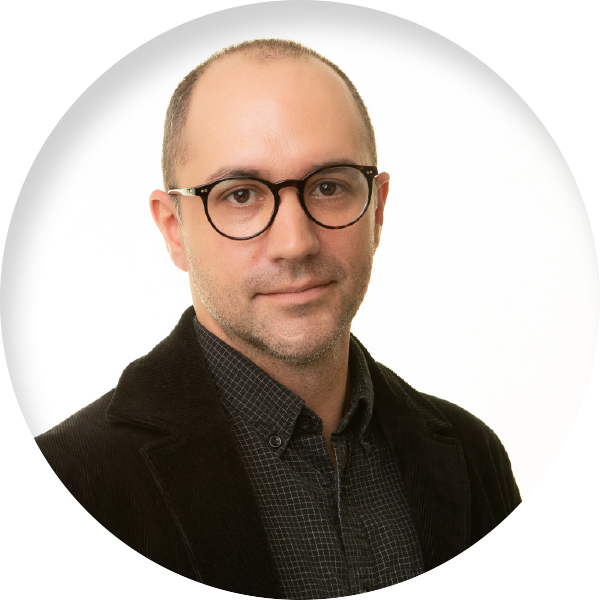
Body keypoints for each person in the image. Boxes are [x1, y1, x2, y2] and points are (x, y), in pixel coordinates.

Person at [36, 39, 520, 599]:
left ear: (378, 210)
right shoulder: (62, 487)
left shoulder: (471, 453)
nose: (295, 243)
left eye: (330, 186)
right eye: (240, 194)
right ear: (174, 230)